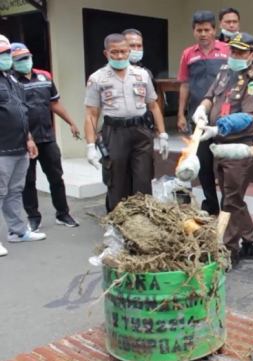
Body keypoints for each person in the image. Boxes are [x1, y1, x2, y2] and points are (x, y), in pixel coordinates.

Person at [193, 32, 253, 267]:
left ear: (252, 55)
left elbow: (249, 117)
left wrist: (219, 128)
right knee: (232, 197)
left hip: (240, 147)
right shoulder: (225, 71)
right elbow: (210, 96)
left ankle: (229, 250)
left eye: (240, 52)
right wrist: (202, 109)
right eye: (232, 51)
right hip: (221, 146)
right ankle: (251, 243)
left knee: (231, 200)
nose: (234, 55)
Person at [84, 33, 169, 212]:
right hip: (114, 133)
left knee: (143, 179)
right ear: (106, 53)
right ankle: (118, 227)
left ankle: (143, 225)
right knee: (116, 181)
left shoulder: (142, 75)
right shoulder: (97, 78)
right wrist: (90, 146)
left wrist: (162, 135)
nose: (120, 56)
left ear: (129, 51)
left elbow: (153, 106)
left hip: (141, 131)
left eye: (124, 51)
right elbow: (92, 114)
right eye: (114, 52)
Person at [10, 42, 80, 232]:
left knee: (56, 177)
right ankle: (33, 218)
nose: (25, 61)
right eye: (19, 59)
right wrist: (27, 136)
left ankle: (63, 213)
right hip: (24, 141)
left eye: (27, 57)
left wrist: (71, 122)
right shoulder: (10, 81)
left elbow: (53, 103)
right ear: (12, 62)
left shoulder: (44, 76)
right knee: (28, 181)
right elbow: (14, 113)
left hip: (47, 138)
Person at [178, 11, 230, 216]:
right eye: (199, 30)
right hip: (198, 115)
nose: (203, 34)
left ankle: (227, 203)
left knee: (225, 161)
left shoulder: (227, 50)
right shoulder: (188, 54)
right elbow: (183, 84)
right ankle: (210, 203)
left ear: (214, 30)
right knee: (204, 160)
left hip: (224, 114)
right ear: (193, 31)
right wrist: (181, 114)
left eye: (207, 30)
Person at [0, 35, 46, 257]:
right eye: (1, 54)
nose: (6, 57)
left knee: (15, 191)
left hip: (19, 146)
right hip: (1, 149)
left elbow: (21, 112)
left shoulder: (11, 79)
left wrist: (29, 138)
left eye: (7, 53)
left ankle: (17, 231)